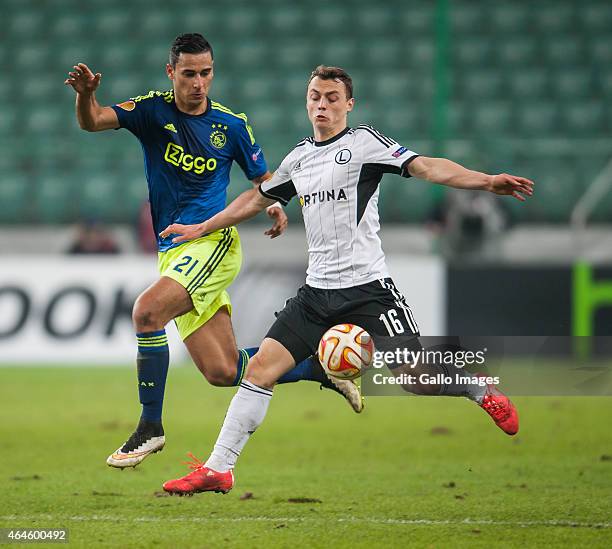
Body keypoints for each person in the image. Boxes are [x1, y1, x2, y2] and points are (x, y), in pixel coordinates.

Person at [158, 65, 535, 496]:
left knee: (413, 376)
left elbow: (427, 166)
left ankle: (475, 386)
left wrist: (485, 181)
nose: (322, 104)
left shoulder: (364, 144)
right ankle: (219, 469)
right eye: (315, 96)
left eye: (332, 97)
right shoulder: (298, 158)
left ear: (348, 105)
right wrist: (201, 227)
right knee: (261, 368)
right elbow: (254, 200)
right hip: (316, 293)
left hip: (369, 289)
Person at [64, 37, 362, 470]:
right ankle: (316, 368)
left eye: (206, 73)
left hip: (212, 243)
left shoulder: (232, 125)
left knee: (147, 312)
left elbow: (263, 176)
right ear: (172, 74)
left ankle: (150, 425)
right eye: (189, 73)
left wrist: (276, 204)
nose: (199, 82)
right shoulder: (150, 111)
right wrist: (86, 96)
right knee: (222, 370)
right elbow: (92, 122)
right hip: (173, 251)